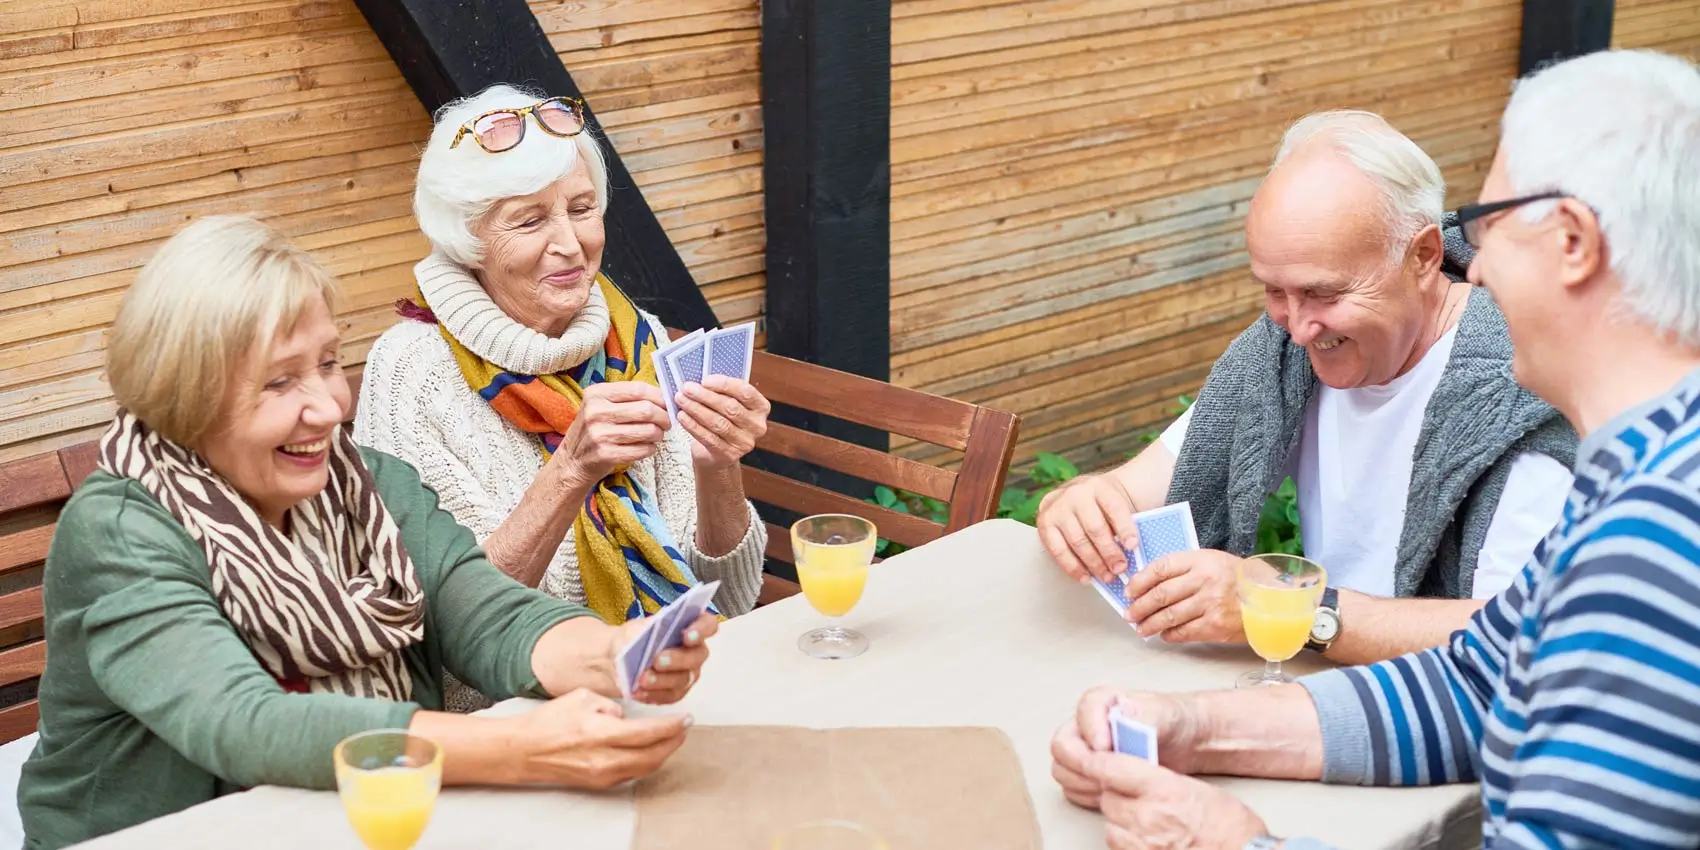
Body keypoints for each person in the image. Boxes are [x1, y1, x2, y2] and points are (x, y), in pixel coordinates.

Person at [1053, 48, 1700, 850]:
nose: (1481, 268)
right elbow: (1477, 679)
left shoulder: (1658, 538)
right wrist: (1194, 727)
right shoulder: (1645, 465)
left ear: (1572, 240)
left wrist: (1234, 845)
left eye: (1488, 227)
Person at [18, 217, 717, 850]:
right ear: (186, 395)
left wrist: (612, 654)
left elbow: (482, 609)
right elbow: (243, 722)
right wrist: (520, 749)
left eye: (327, 363)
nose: (326, 408)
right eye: (278, 383)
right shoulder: (120, 529)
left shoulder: (368, 482)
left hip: (373, 818)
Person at [1037, 110, 1576, 665]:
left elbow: (1516, 637)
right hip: (1325, 680)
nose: (1297, 327)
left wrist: (1295, 610)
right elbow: (1132, 491)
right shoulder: (1283, 349)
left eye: (1324, 293)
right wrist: (1084, 503)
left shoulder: (1520, 390)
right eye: (1274, 291)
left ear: (1423, 256)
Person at [354, 85, 768, 710]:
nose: (571, 245)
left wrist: (718, 468)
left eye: (581, 208)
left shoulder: (635, 336)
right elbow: (451, 636)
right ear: (469, 239)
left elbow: (729, 598)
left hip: (678, 681)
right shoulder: (412, 372)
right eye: (529, 219)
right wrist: (572, 469)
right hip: (518, 715)